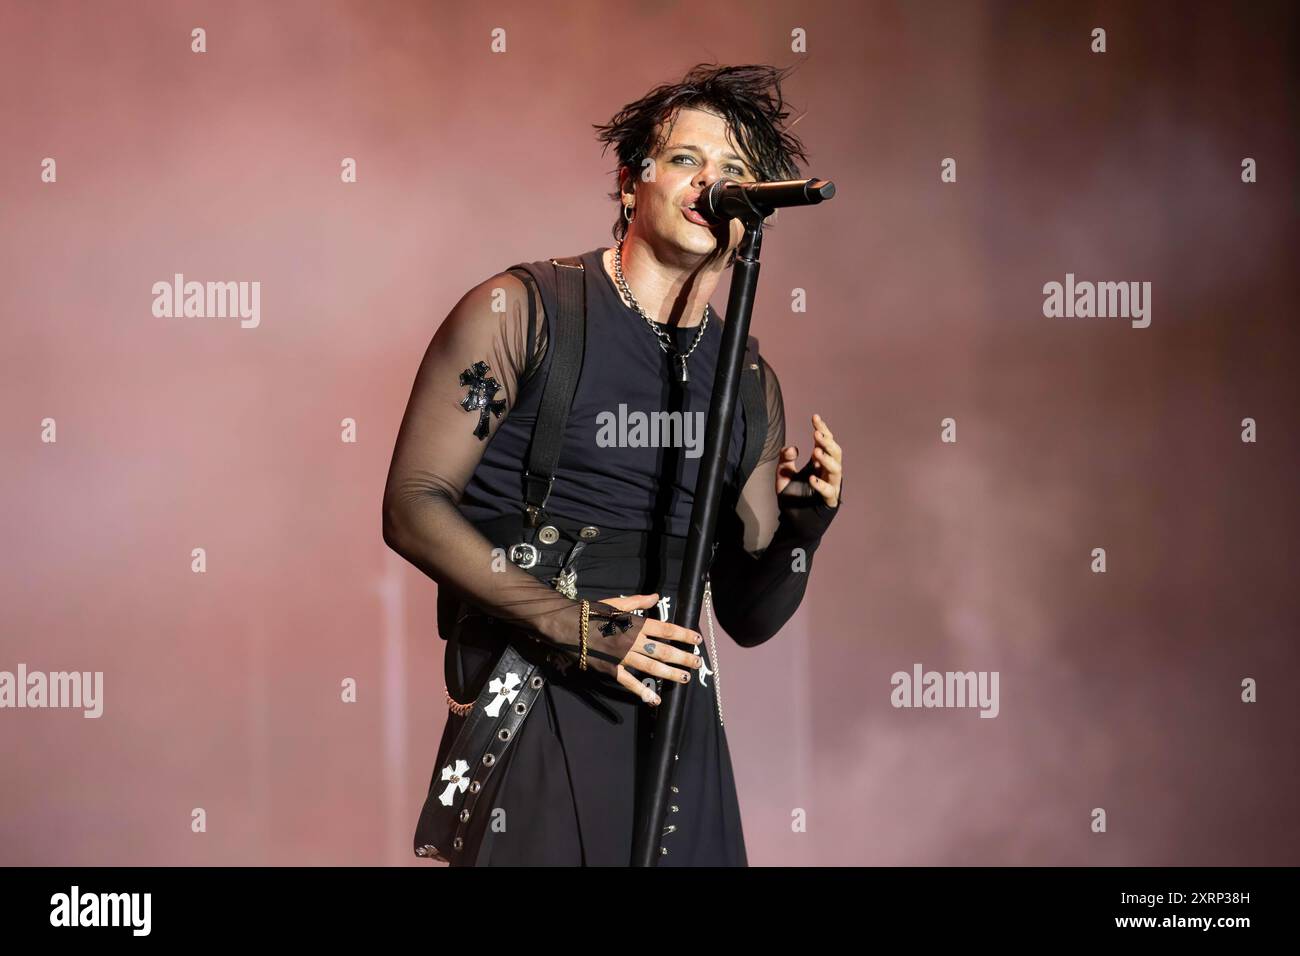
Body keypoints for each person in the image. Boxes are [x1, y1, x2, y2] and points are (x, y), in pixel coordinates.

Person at [382, 63, 844, 866]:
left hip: (678, 727)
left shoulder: (747, 381)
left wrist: (805, 525)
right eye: (689, 160)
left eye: (736, 172)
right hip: (542, 697)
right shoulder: (525, 312)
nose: (714, 183)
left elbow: (747, 617)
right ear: (631, 184)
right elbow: (413, 504)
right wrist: (577, 627)